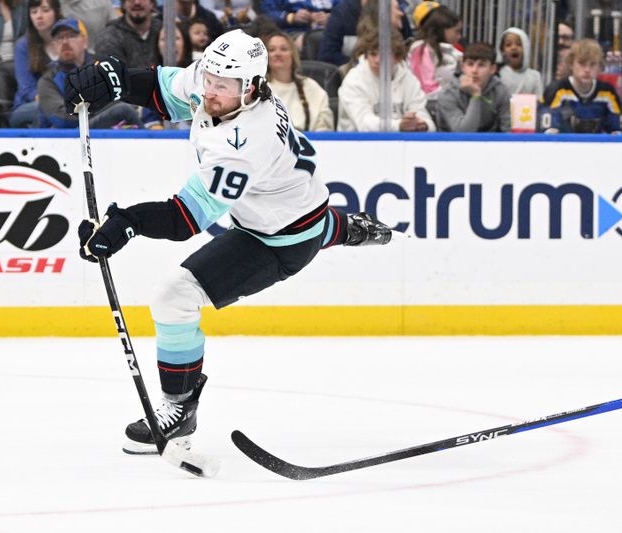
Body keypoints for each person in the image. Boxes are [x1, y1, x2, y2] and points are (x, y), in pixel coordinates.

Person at [63, 29, 393, 453]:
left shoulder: (245, 143)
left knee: (174, 297)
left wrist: (124, 223)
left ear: (252, 87)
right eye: (209, 78)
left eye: (223, 85)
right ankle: (345, 228)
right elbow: (168, 92)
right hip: (289, 205)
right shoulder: (219, 81)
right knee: (308, 218)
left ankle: (178, 410)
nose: (210, 90)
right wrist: (113, 79)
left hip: (280, 240)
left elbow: (184, 218)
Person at [38, 17, 145, 128]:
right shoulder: (48, 81)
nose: (65, 42)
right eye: (60, 38)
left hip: (105, 133)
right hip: (66, 139)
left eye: (71, 36)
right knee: (122, 111)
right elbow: (62, 119)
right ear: (54, 45)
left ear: (85, 41)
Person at [337, 29, 433, 132]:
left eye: (384, 55)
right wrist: (399, 126)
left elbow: (425, 118)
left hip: (402, 144)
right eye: (373, 54)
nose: (377, 60)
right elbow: (364, 124)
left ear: (397, 57)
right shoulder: (354, 80)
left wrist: (422, 124)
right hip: (357, 145)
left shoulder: (409, 79)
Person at [539, 38, 622, 134]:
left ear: (600, 67)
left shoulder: (608, 92)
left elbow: (616, 128)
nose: (587, 70)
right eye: (582, 64)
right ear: (571, 64)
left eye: (593, 64)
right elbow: (548, 127)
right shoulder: (557, 90)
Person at [265, 31, 334, 131]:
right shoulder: (259, 89)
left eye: (283, 49)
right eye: (271, 50)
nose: (277, 54)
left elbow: (324, 129)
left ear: (293, 54)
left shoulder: (311, 87)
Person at [9, 0, 63, 128]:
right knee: (47, 108)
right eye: (34, 12)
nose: (39, 16)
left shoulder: (68, 40)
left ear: (57, 12)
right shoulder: (23, 47)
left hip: (64, 103)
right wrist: (53, 100)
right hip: (29, 105)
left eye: (45, 10)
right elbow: (27, 89)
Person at [436, 42, 510, 133]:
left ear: (492, 69)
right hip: (451, 144)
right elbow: (464, 133)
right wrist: (475, 95)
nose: (474, 70)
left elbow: (508, 131)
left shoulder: (501, 91)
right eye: (470, 64)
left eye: (481, 65)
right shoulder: (448, 94)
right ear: (463, 67)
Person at [318, 0, 410, 67]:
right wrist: (362, 64)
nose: (400, 13)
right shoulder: (341, 14)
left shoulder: (395, 12)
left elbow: (408, 49)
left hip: (394, 75)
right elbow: (327, 56)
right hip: (351, 76)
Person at [407, 3, 462, 110]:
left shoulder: (448, 49)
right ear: (442, 29)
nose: (459, 36)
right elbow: (427, 87)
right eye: (456, 31)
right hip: (427, 107)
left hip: (445, 104)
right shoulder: (421, 49)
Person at [95, 0, 162, 68]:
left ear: (152, 3)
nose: (137, 2)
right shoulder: (109, 37)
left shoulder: (163, 30)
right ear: (124, 4)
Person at [497, 27, 543, 98]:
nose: (514, 48)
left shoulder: (535, 76)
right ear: (502, 51)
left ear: (525, 48)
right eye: (508, 45)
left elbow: (539, 101)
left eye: (519, 44)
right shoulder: (498, 75)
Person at [259, 0, 338, 33]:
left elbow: (346, 10)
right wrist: (291, 17)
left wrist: (330, 17)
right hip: (294, 31)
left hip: (330, 30)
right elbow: (266, 16)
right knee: (316, 39)